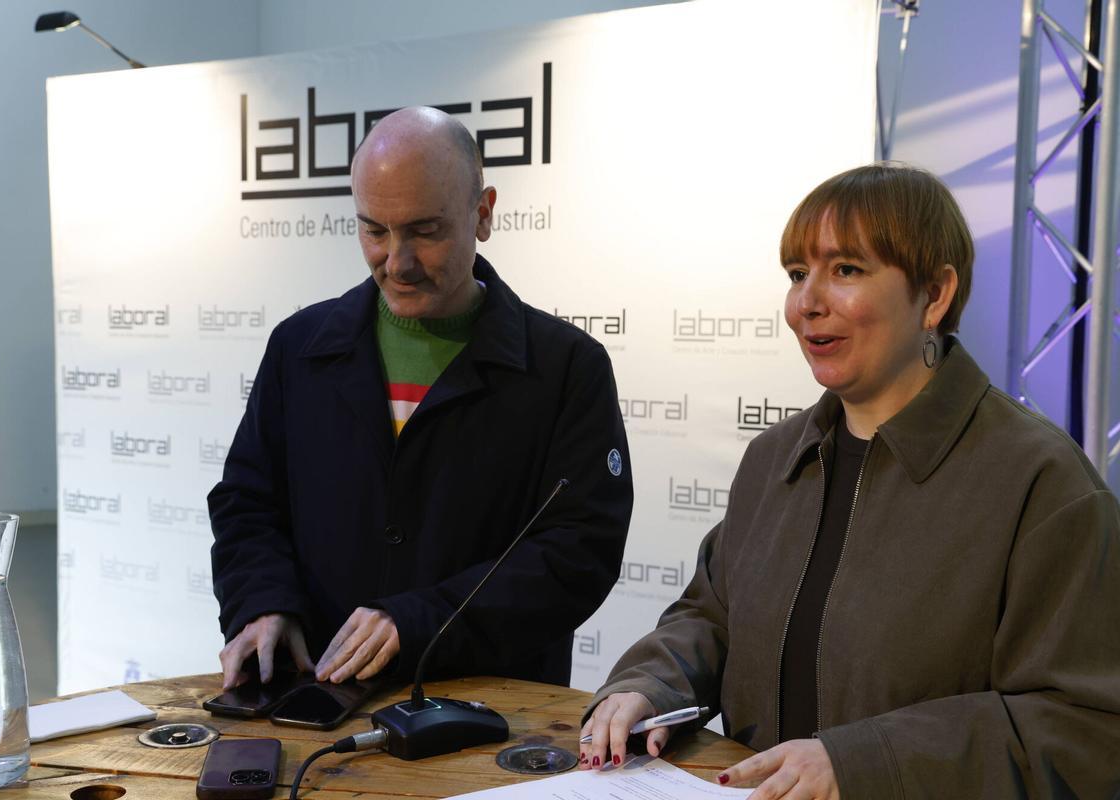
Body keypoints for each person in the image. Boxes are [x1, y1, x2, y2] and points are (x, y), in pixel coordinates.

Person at [580, 163, 1120, 798]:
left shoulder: (1041, 482)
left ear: (936, 295)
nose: (807, 303)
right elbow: (713, 616)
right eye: (797, 274)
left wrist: (860, 763)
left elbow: (1084, 726)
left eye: (846, 270)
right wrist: (647, 685)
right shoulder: (774, 458)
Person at [209, 107, 632, 691]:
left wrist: (418, 622)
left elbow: (577, 553)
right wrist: (262, 602)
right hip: (313, 703)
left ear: (482, 214)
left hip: (490, 718)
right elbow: (246, 502)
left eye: (425, 231)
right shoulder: (297, 349)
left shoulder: (566, 369)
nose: (398, 262)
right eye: (374, 231)